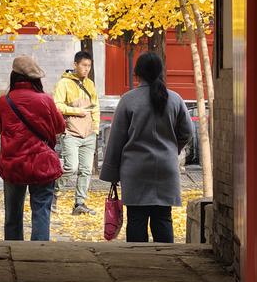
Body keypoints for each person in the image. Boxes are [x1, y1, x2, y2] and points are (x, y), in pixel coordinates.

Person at [100, 51, 193, 243]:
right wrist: (171, 149)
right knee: (163, 218)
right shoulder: (175, 99)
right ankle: (166, 263)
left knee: (136, 219)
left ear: (137, 73)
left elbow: (117, 138)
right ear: (161, 71)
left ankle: (136, 264)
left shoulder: (128, 99)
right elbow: (187, 132)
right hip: (166, 168)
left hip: (135, 169)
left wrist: (111, 173)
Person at [0, 55, 65, 241]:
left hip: (13, 163)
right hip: (41, 162)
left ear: (13, 77)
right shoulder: (46, 100)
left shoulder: (5, 100)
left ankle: (13, 248)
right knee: (41, 210)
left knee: (12, 214)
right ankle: (39, 253)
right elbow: (60, 127)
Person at [52, 50, 100, 215]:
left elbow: (96, 107)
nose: (86, 69)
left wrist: (96, 128)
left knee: (85, 170)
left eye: (89, 66)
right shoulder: (63, 83)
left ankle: (80, 203)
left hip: (89, 133)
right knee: (70, 167)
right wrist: (75, 111)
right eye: (84, 65)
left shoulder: (90, 84)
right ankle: (53, 193)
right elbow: (56, 106)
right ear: (75, 65)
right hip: (71, 132)